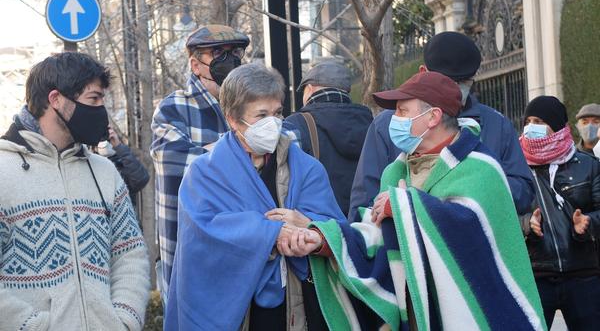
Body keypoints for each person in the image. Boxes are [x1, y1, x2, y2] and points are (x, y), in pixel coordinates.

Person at [280, 71, 546, 330]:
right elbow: (376, 235)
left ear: (433, 117)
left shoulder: (480, 168)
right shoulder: (396, 171)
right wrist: (323, 240)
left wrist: (404, 206)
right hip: (415, 313)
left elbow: (469, 232)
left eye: (402, 111)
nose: (393, 119)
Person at [163, 63, 346, 330]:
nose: (273, 123)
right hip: (237, 313)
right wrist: (271, 233)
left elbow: (337, 232)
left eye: (278, 112)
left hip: (297, 308)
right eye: (261, 115)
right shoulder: (205, 174)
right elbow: (202, 236)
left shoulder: (306, 168)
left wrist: (310, 228)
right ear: (233, 119)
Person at [0, 52, 150, 330]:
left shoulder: (104, 172)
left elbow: (129, 253)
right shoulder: (3, 172)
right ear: (56, 100)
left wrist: (125, 320)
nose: (101, 109)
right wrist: (34, 326)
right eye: (93, 99)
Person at [349, 31, 534, 221]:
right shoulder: (387, 126)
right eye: (444, 81)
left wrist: (474, 189)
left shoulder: (497, 125)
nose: (452, 89)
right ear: (423, 73)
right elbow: (364, 204)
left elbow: (523, 191)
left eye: (461, 82)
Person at [150, 24, 250, 296]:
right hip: (191, 263)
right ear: (196, 65)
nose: (229, 61)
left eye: (235, 52)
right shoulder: (175, 108)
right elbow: (180, 166)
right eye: (217, 53)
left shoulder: (253, 109)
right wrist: (245, 153)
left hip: (245, 260)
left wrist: (211, 152)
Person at [518, 96, 600, 330]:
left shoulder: (588, 165)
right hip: (535, 276)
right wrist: (526, 224)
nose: (531, 127)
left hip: (582, 275)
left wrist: (587, 223)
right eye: (529, 120)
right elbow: (503, 214)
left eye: (540, 121)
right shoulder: (515, 166)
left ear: (556, 125)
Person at [285, 60, 372, 216]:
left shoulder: (296, 123)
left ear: (310, 88)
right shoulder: (369, 121)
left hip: (319, 225)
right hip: (364, 221)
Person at [96, 126, 150, 207]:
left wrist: (118, 146)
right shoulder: (91, 165)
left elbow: (141, 179)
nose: (104, 141)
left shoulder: (125, 163)